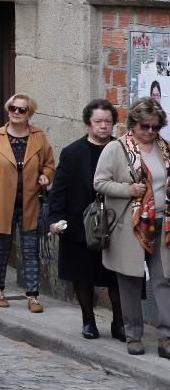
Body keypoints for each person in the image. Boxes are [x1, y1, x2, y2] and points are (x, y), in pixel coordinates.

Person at [95, 96, 170, 357]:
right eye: (145, 127)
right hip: (130, 225)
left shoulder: (165, 148)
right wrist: (128, 189)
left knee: (163, 280)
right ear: (133, 125)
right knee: (129, 280)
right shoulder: (116, 149)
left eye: (155, 127)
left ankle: (166, 337)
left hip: (162, 224)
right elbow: (100, 183)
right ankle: (133, 334)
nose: (150, 132)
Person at [49, 99, 125, 341]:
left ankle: (120, 323)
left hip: (115, 222)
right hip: (79, 220)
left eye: (108, 122)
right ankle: (88, 320)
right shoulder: (72, 153)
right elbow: (59, 189)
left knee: (117, 276)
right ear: (87, 124)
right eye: (98, 122)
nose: (103, 126)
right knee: (82, 273)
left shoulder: (122, 150)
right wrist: (55, 219)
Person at [0, 93, 55, 312]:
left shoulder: (38, 137)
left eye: (22, 110)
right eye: (13, 109)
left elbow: (49, 164)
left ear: (30, 113)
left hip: (29, 202)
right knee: (0, 248)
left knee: (30, 250)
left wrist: (46, 176)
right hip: (2, 202)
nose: (17, 113)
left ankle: (33, 295)